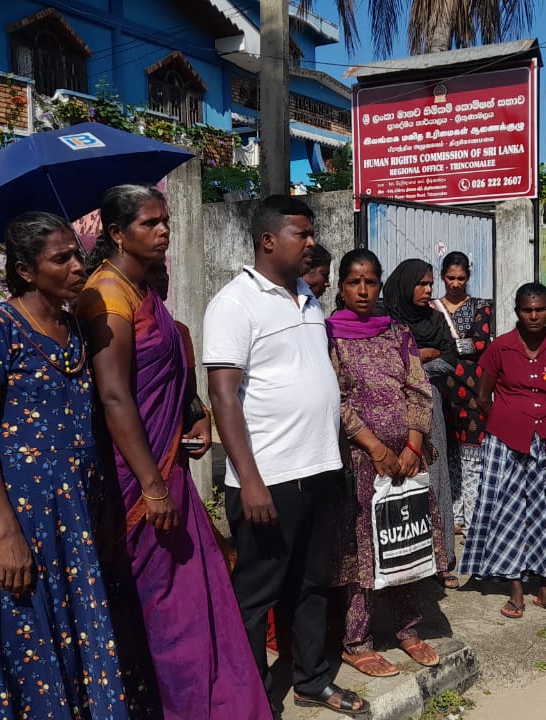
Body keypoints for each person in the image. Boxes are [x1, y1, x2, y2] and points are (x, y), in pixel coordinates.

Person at [78, 185, 269, 719]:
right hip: (139, 479)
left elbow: (170, 374)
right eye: (150, 223)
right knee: (164, 608)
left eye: (165, 220)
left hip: (168, 466)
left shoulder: (141, 292)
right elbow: (114, 397)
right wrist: (153, 485)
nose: (164, 231)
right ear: (117, 234)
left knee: (193, 600)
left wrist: (195, 416)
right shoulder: (107, 297)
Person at [0, 212, 130, 719]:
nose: (78, 267)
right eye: (62, 259)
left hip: (76, 515)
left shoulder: (75, 331)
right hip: (22, 517)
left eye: (78, 254)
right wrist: (7, 534)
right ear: (25, 271)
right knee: (30, 641)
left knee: (82, 637)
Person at [204, 195, 368, 718]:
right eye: (303, 234)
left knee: (312, 585)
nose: (312, 243)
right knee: (258, 596)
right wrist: (249, 479)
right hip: (269, 479)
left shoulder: (308, 297)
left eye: (312, 233)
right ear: (269, 240)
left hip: (318, 470)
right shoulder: (235, 303)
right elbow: (223, 396)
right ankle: (254, 699)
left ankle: (311, 681)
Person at [326, 248, 444, 678]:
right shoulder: (329, 336)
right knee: (363, 550)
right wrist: (376, 448)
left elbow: (418, 388)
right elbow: (335, 398)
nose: (363, 290)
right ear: (341, 287)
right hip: (361, 461)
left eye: (370, 282)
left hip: (407, 462)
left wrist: (413, 445)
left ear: (380, 285)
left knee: (406, 541)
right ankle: (357, 641)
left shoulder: (398, 333)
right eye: (354, 282)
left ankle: (407, 628)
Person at [459, 282, 546, 622]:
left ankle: (545, 587)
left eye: (540, 309)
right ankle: (515, 587)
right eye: (527, 310)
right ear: (517, 312)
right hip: (507, 441)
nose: (534, 315)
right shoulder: (501, 347)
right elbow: (483, 397)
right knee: (510, 512)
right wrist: (507, 421)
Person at [382, 259, 460, 589]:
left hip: (430, 408)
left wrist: (415, 362)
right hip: (392, 410)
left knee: (436, 478)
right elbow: (385, 363)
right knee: (397, 480)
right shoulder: (385, 319)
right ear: (405, 284)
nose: (429, 290)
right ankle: (399, 558)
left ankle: (442, 559)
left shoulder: (435, 319)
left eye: (430, 284)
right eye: (422, 284)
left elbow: (450, 359)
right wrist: (423, 354)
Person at [430, 251, 494, 535]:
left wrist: (443, 349)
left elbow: (480, 344)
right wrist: (458, 347)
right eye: (450, 278)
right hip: (442, 391)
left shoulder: (481, 307)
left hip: (471, 392)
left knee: (473, 459)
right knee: (448, 455)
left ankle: (474, 521)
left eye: (461, 278)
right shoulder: (432, 307)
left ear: (468, 277)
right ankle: (453, 516)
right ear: (442, 276)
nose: (455, 284)